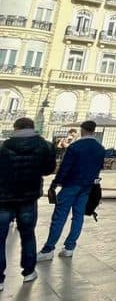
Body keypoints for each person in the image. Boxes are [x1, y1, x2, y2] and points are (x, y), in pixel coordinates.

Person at [0, 116, 56, 290]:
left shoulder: (3, 146)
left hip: (3, 197)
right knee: (28, 234)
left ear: (15, 128)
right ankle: (29, 271)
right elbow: (48, 170)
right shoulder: (45, 146)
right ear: (33, 128)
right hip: (28, 197)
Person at [37, 120, 106, 261]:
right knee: (78, 216)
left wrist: (55, 183)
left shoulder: (75, 147)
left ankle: (48, 249)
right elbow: (99, 168)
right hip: (87, 187)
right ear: (93, 130)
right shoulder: (100, 148)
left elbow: (65, 167)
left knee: (59, 217)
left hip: (71, 185)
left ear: (82, 130)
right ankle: (69, 248)